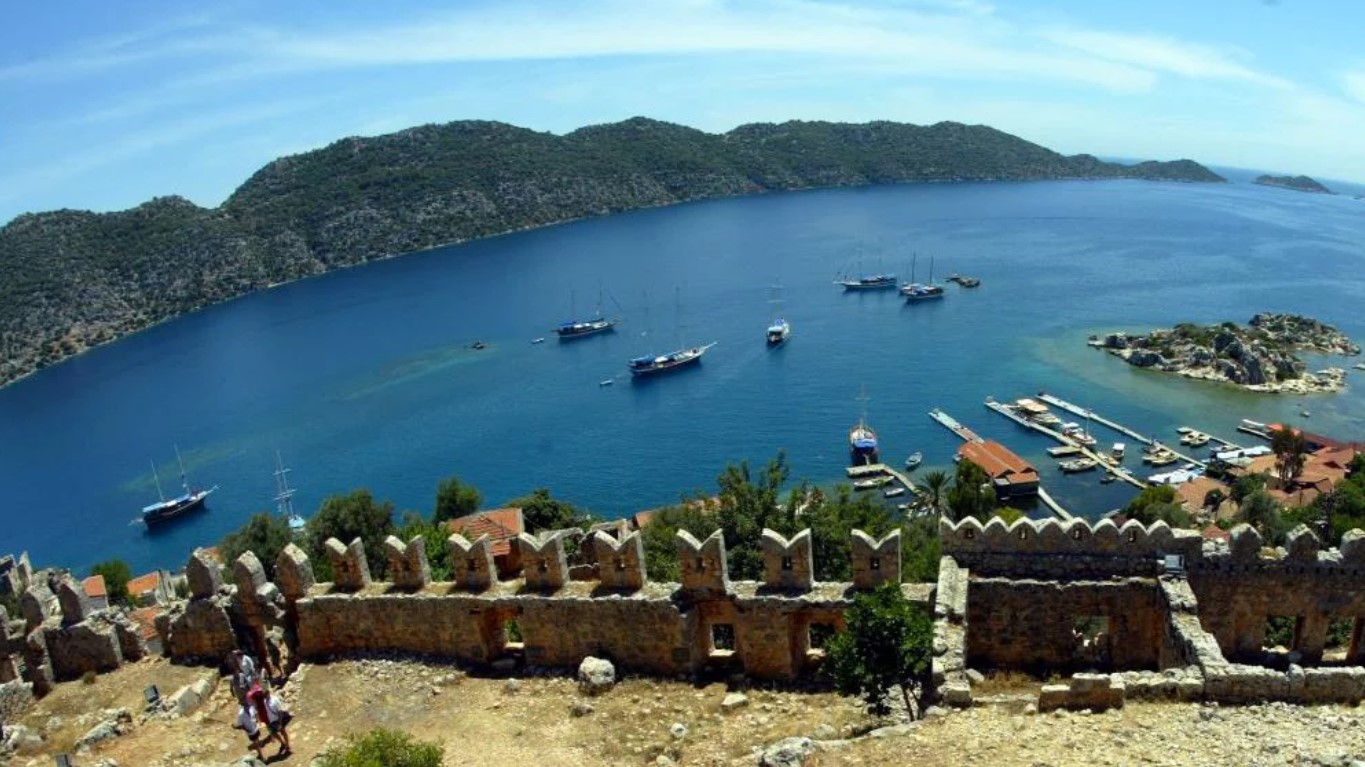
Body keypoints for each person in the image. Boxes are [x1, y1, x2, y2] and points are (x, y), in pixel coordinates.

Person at [238, 683, 291, 758]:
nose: (264, 694)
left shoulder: (274, 699)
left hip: (277, 720)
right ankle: (282, 743)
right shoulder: (262, 702)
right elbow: (258, 707)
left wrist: (280, 723)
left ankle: (287, 745)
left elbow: (280, 712)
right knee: (275, 733)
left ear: (268, 692)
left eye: (265, 693)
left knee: (283, 732)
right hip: (270, 721)